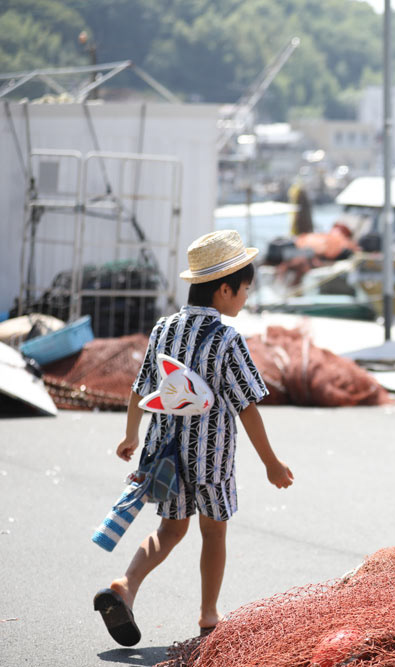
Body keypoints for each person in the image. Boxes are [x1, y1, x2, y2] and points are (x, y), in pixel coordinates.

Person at [93, 229, 294, 646]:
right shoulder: (227, 339)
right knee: (214, 531)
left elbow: (139, 388)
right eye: (243, 291)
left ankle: (125, 585)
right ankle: (208, 614)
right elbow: (247, 406)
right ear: (224, 289)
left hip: (164, 451)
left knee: (170, 529)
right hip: (210, 457)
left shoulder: (163, 329)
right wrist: (271, 462)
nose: (244, 299)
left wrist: (131, 435)